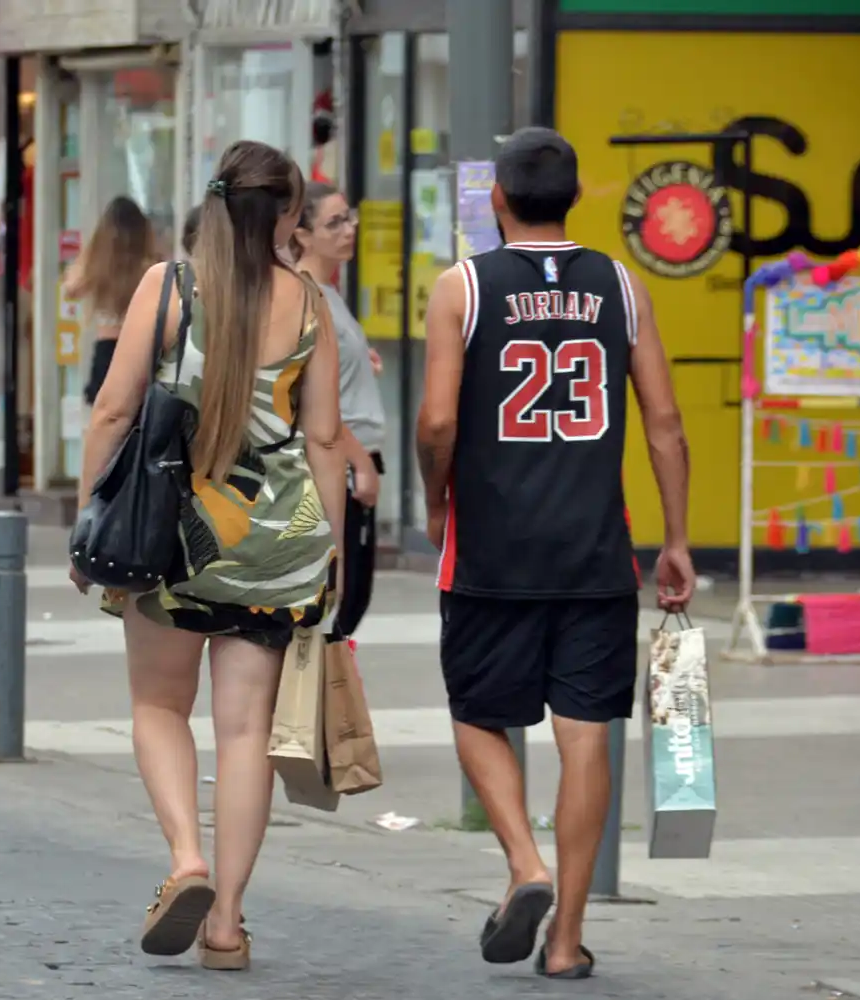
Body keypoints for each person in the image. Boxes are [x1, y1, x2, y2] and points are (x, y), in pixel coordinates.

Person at [416, 127, 694, 980]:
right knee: (586, 738)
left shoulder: (460, 287)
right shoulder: (621, 283)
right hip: (595, 553)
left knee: (475, 713)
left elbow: (436, 422)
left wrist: (436, 499)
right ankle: (567, 940)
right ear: (575, 198)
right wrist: (676, 539)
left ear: (496, 200)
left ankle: (523, 864)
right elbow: (665, 424)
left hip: (492, 550)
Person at [71, 141, 348, 971]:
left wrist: (91, 524)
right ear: (289, 217)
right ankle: (226, 923)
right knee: (244, 733)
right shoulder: (309, 303)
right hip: (272, 544)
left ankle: (186, 858)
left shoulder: (170, 288)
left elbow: (113, 413)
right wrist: (327, 555)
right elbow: (327, 436)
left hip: (169, 540)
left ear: (215, 204)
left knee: (159, 707)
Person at [291, 182, 386, 635]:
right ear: (302, 234)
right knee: (340, 601)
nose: (348, 230)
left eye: (350, 218)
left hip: (351, 458)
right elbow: (313, 395)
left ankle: (327, 698)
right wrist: (360, 463)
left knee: (351, 599)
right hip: (341, 463)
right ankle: (320, 699)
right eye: (334, 222)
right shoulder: (308, 294)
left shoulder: (330, 294)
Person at [64, 196, 159, 423]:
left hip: (107, 351)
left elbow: (70, 288)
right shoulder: (149, 267)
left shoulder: (97, 268)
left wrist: (94, 249)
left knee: (105, 423)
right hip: (142, 352)